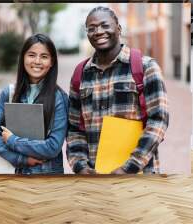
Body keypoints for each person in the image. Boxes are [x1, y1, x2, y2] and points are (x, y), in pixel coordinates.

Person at [67, 7, 169, 174]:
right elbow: (74, 129)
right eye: (91, 28)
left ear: (119, 29)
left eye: (104, 25)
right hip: (95, 177)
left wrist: (128, 167)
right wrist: (80, 167)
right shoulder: (80, 74)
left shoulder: (145, 67)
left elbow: (158, 121)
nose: (98, 32)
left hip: (138, 174)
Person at [0, 34, 69, 174]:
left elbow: (53, 146)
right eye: (31, 55)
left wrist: (13, 141)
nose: (37, 61)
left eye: (44, 56)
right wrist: (21, 159)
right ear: (23, 58)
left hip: (47, 176)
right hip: (13, 173)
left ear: (52, 62)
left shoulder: (59, 98)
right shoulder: (9, 93)